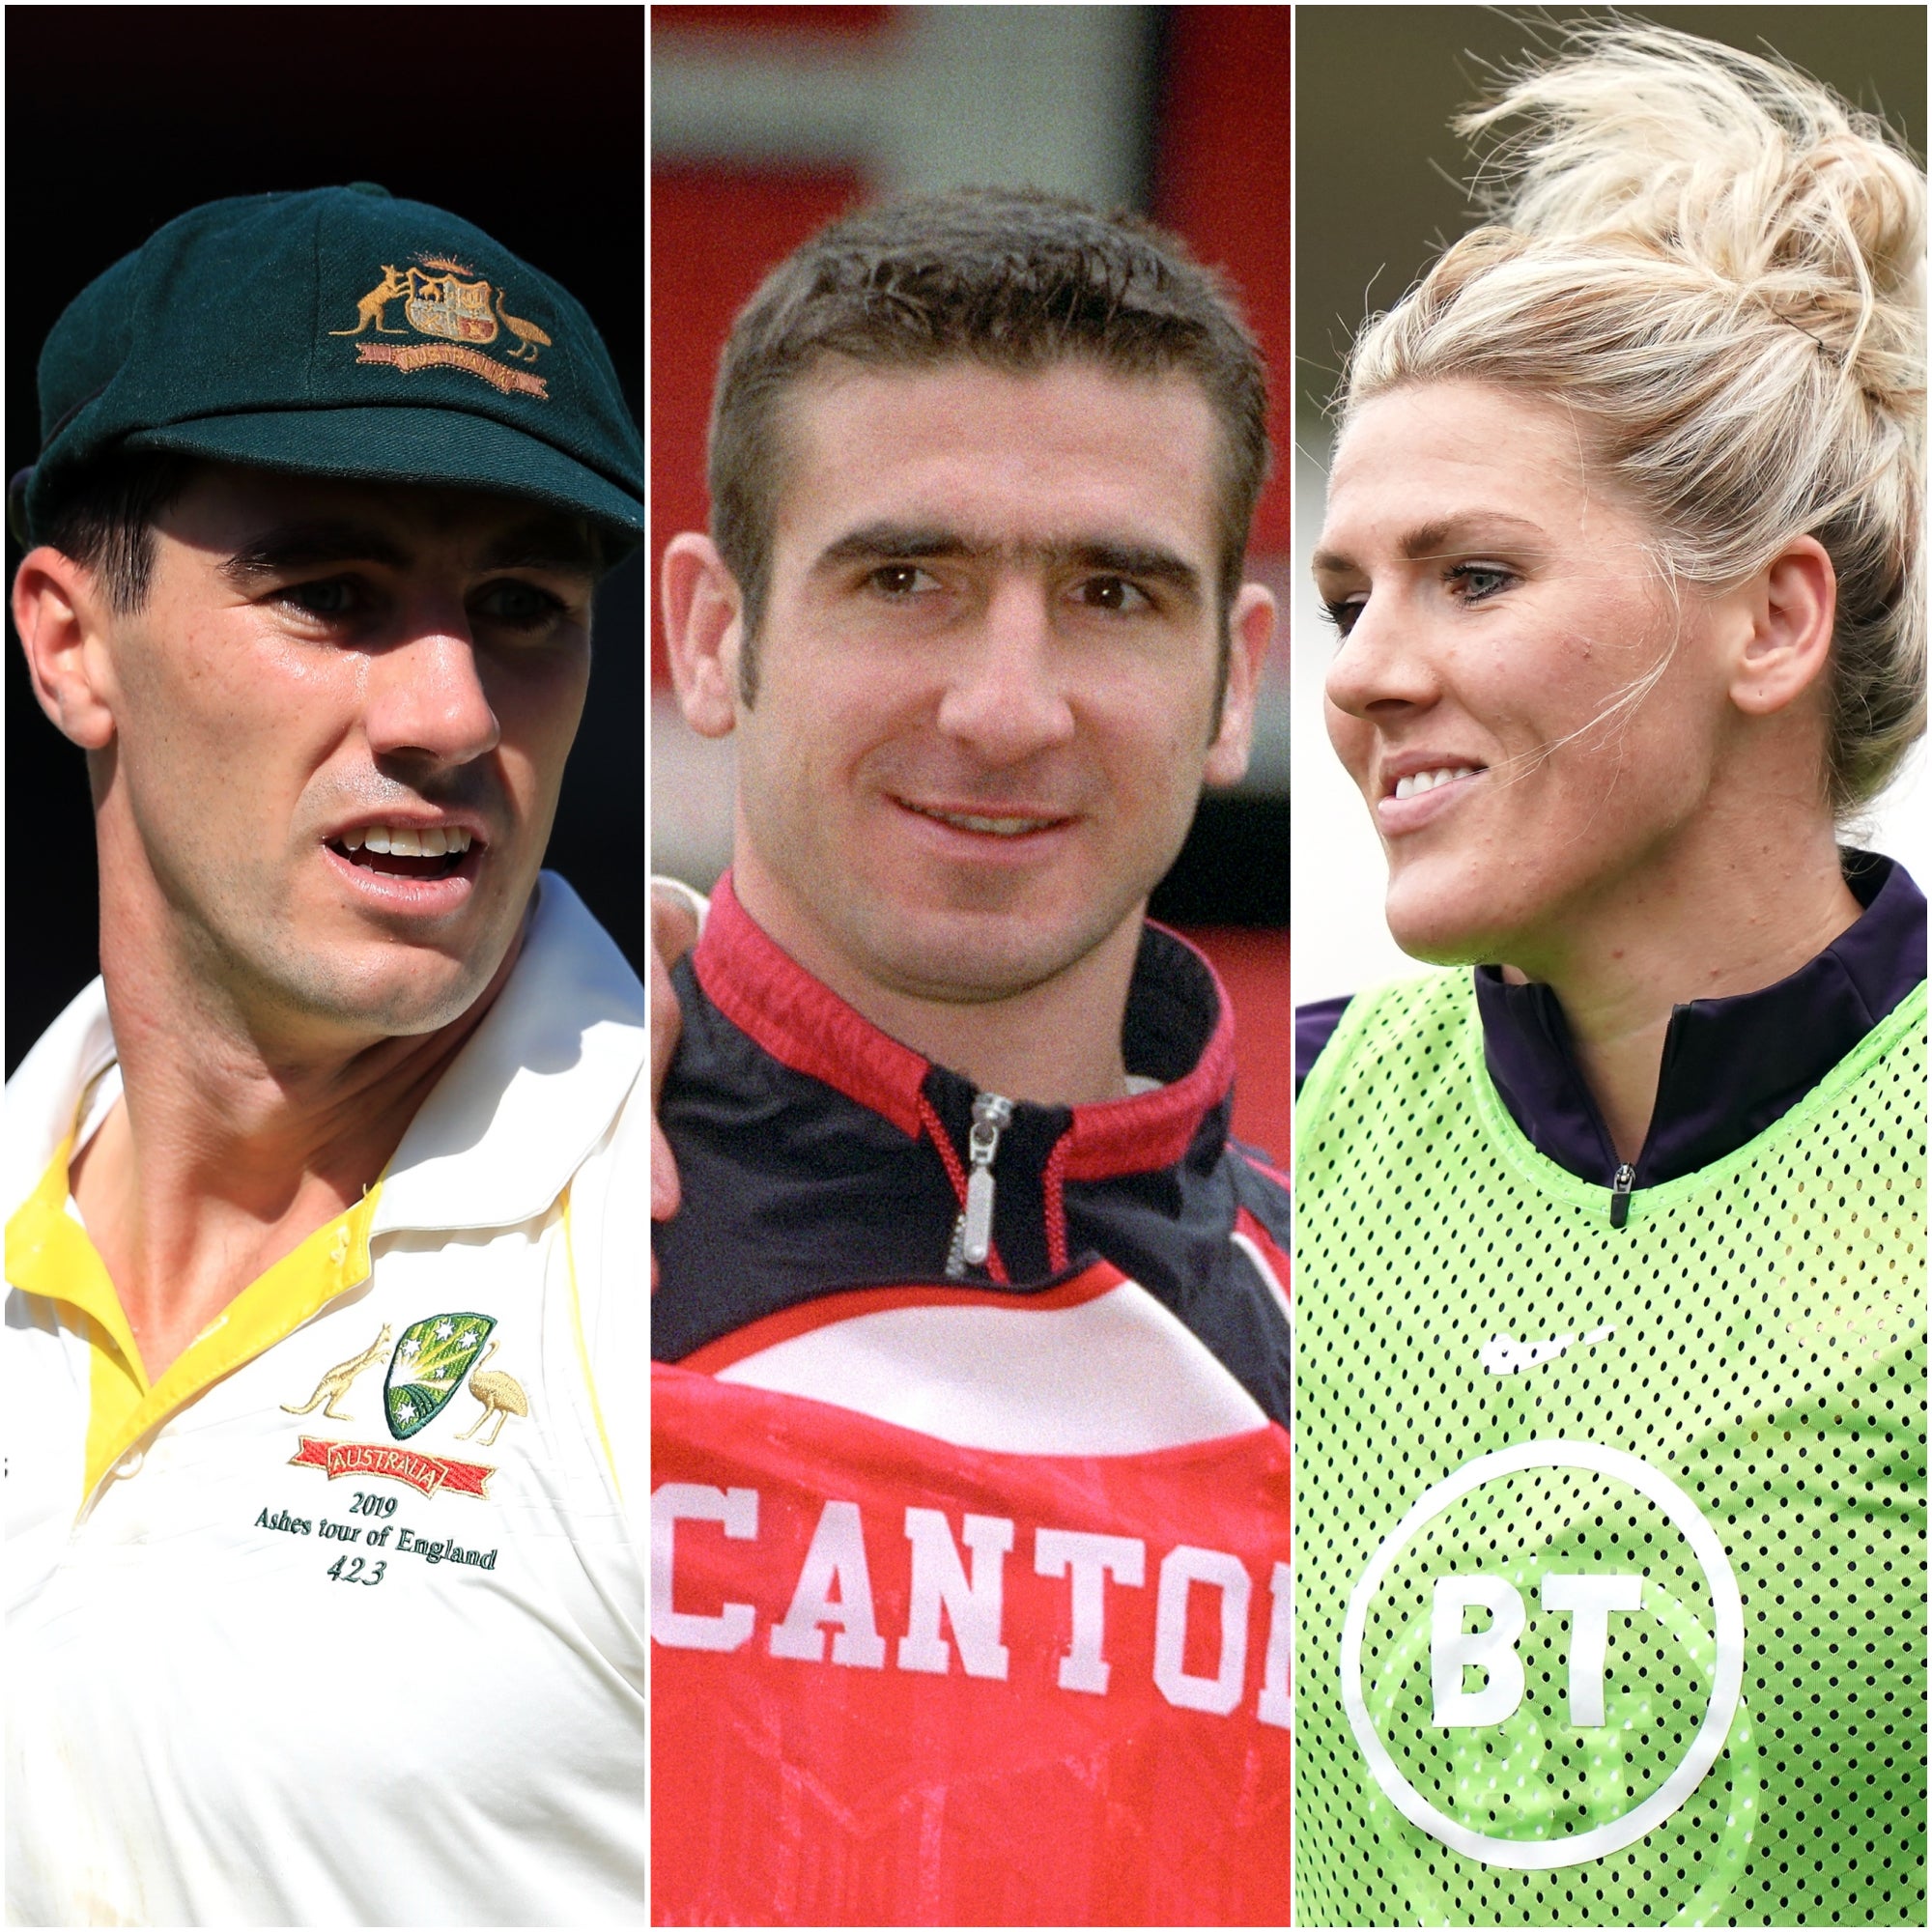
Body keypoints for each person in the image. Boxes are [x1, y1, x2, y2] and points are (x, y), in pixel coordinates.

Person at [1293, 29, 1924, 1926]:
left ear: (1772, 619)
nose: (1362, 674)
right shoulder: (1278, 1144)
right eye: (1347, 598)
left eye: (1470, 576)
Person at [4, 185, 647, 1925]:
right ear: (72, 643)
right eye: (332, 592)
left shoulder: (694, 1225)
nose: (448, 717)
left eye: (523, 606)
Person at [650, 188, 1293, 1925]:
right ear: (716, 636)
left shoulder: (1402, 1367)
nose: (1008, 709)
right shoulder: (455, 1208)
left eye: (1110, 592)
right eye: (907, 578)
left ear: (1231, 683)